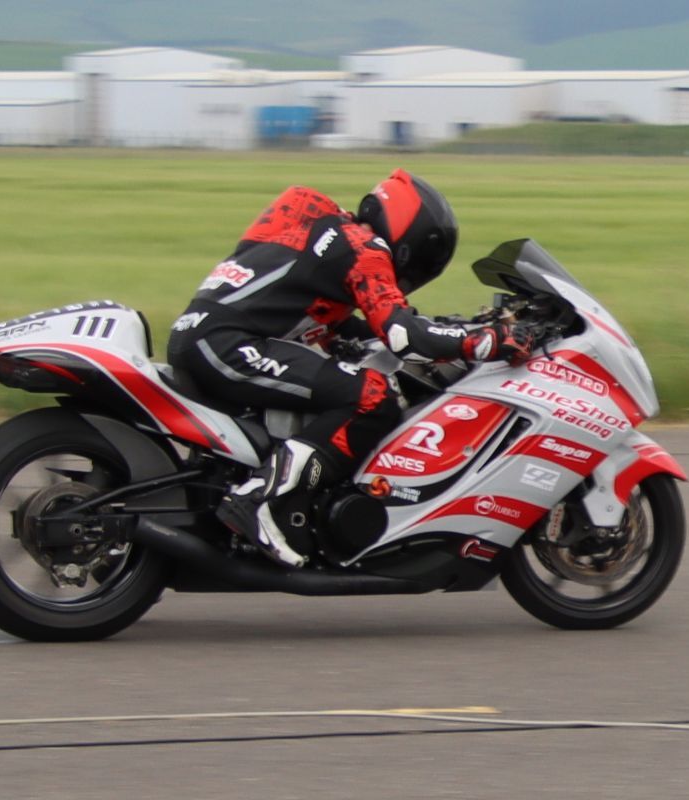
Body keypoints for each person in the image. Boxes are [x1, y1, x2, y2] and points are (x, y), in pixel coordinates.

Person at [167, 169, 532, 568]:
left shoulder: (327, 236)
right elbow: (401, 334)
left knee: (348, 375)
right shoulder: (364, 247)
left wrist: (454, 329)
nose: (416, 275)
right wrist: (488, 341)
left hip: (210, 337)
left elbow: (358, 331)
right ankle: (261, 500)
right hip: (228, 344)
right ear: (408, 236)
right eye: (424, 260)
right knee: (372, 396)